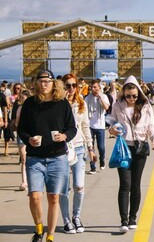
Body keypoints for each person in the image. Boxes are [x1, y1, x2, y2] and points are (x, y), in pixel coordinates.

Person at [17, 69, 77, 242]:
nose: (44, 84)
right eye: (41, 81)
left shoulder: (62, 104)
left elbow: (72, 127)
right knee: (35, 196)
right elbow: (21, 129)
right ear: (36, 83)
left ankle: (50, 236)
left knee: (53, 197)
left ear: (54, 84)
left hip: (57, 157)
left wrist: (65, 136)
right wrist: (29, 139)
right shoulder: (30, 103)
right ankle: (38, 228)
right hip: (35, 157)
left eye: (47, 81)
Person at [109, 75, 154, 232]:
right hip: (123, 147)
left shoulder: (145, 106)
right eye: (128, 95)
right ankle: (123, 220)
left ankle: (132, 218)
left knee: (136, 184)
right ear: (123, 93)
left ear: (139, 94)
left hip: (140, 147)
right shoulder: (118, 105)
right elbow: (111, 122)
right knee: (125, 184)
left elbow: (151, 125)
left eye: (134, 96)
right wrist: (112, 130)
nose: (131, 99)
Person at [60, 74, 96, 234]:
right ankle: (66, 220)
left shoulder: (81, 102)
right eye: (68, 86)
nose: (72, 89)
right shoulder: (57, 104)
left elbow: (85, 125)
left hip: (79, 147)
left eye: (74, 85)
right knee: (63, 189)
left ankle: (76, 216)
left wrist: (90, 147)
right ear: (62, 87)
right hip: (62, 149)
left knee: (79, 186)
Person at [85, 79, 110, 173]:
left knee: (101, 147)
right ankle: (93, 166)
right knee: (91, 147)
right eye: (92, 87)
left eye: (95, 87)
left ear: (99, 87)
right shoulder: (87, 98)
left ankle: (102, 160)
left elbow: (107, 108)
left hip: (100, 126)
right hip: (90, 125)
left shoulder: (104, 96)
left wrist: (100, 98)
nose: (93, 89)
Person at [14, 89, 31, 191]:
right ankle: (24, 181)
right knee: (24, 159)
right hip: (22, 135)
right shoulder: (20, 108)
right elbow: (16, 122)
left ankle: (32, 180)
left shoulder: (34, 108)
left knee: (32, 158)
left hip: (32, 135)